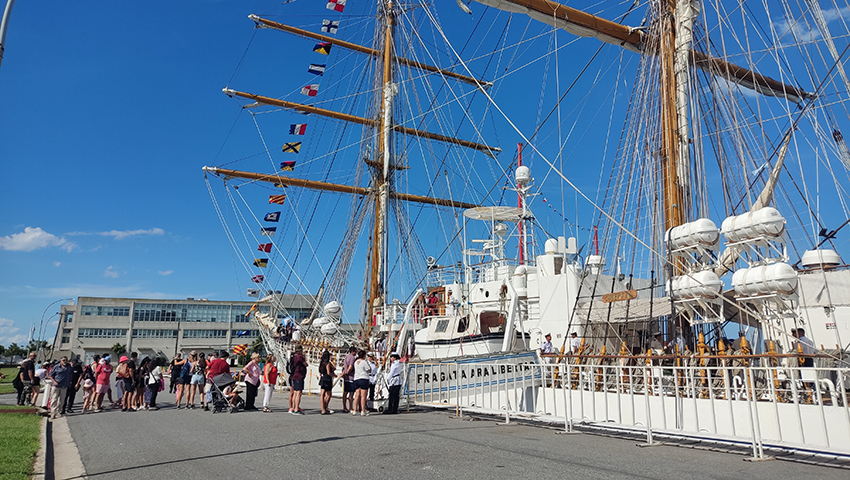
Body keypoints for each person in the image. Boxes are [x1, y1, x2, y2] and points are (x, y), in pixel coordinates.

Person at [352, 349, 372, 416]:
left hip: (356, 378)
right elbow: (369, 370)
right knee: (363, 396)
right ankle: (363, 410)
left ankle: (355, 409)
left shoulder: (356, 362)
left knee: (357, 395)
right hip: (363, 378)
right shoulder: (364, 362)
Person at [288, 346, 308, 415]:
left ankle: (293, 407)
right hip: (299, 376)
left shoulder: (293, 357)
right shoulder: (299, 357)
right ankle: (296, 408)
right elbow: (306, 364)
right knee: (298, 393)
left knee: (295, 392)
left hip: (294, 376)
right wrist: (304, 358)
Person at [318, 350, 336, 415]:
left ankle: (323, 409)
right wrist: (333, 375)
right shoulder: (328, 363)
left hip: (322, 378)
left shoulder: (321, 363)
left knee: (322, 394)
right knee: (328, 394)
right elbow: (329, 372)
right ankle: (325, 407)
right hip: (327, 379)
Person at [341, 346, 357, 413]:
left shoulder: (346, 357)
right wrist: (347, 373)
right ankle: (350, 407)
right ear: (353, 351)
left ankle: (344, 407)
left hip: (346, 377)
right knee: (351, 394)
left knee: (345, 393)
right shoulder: (352, 358)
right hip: (350, 377)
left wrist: (344, 373)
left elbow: (344, 366)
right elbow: (350, 367)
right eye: (355, 351)